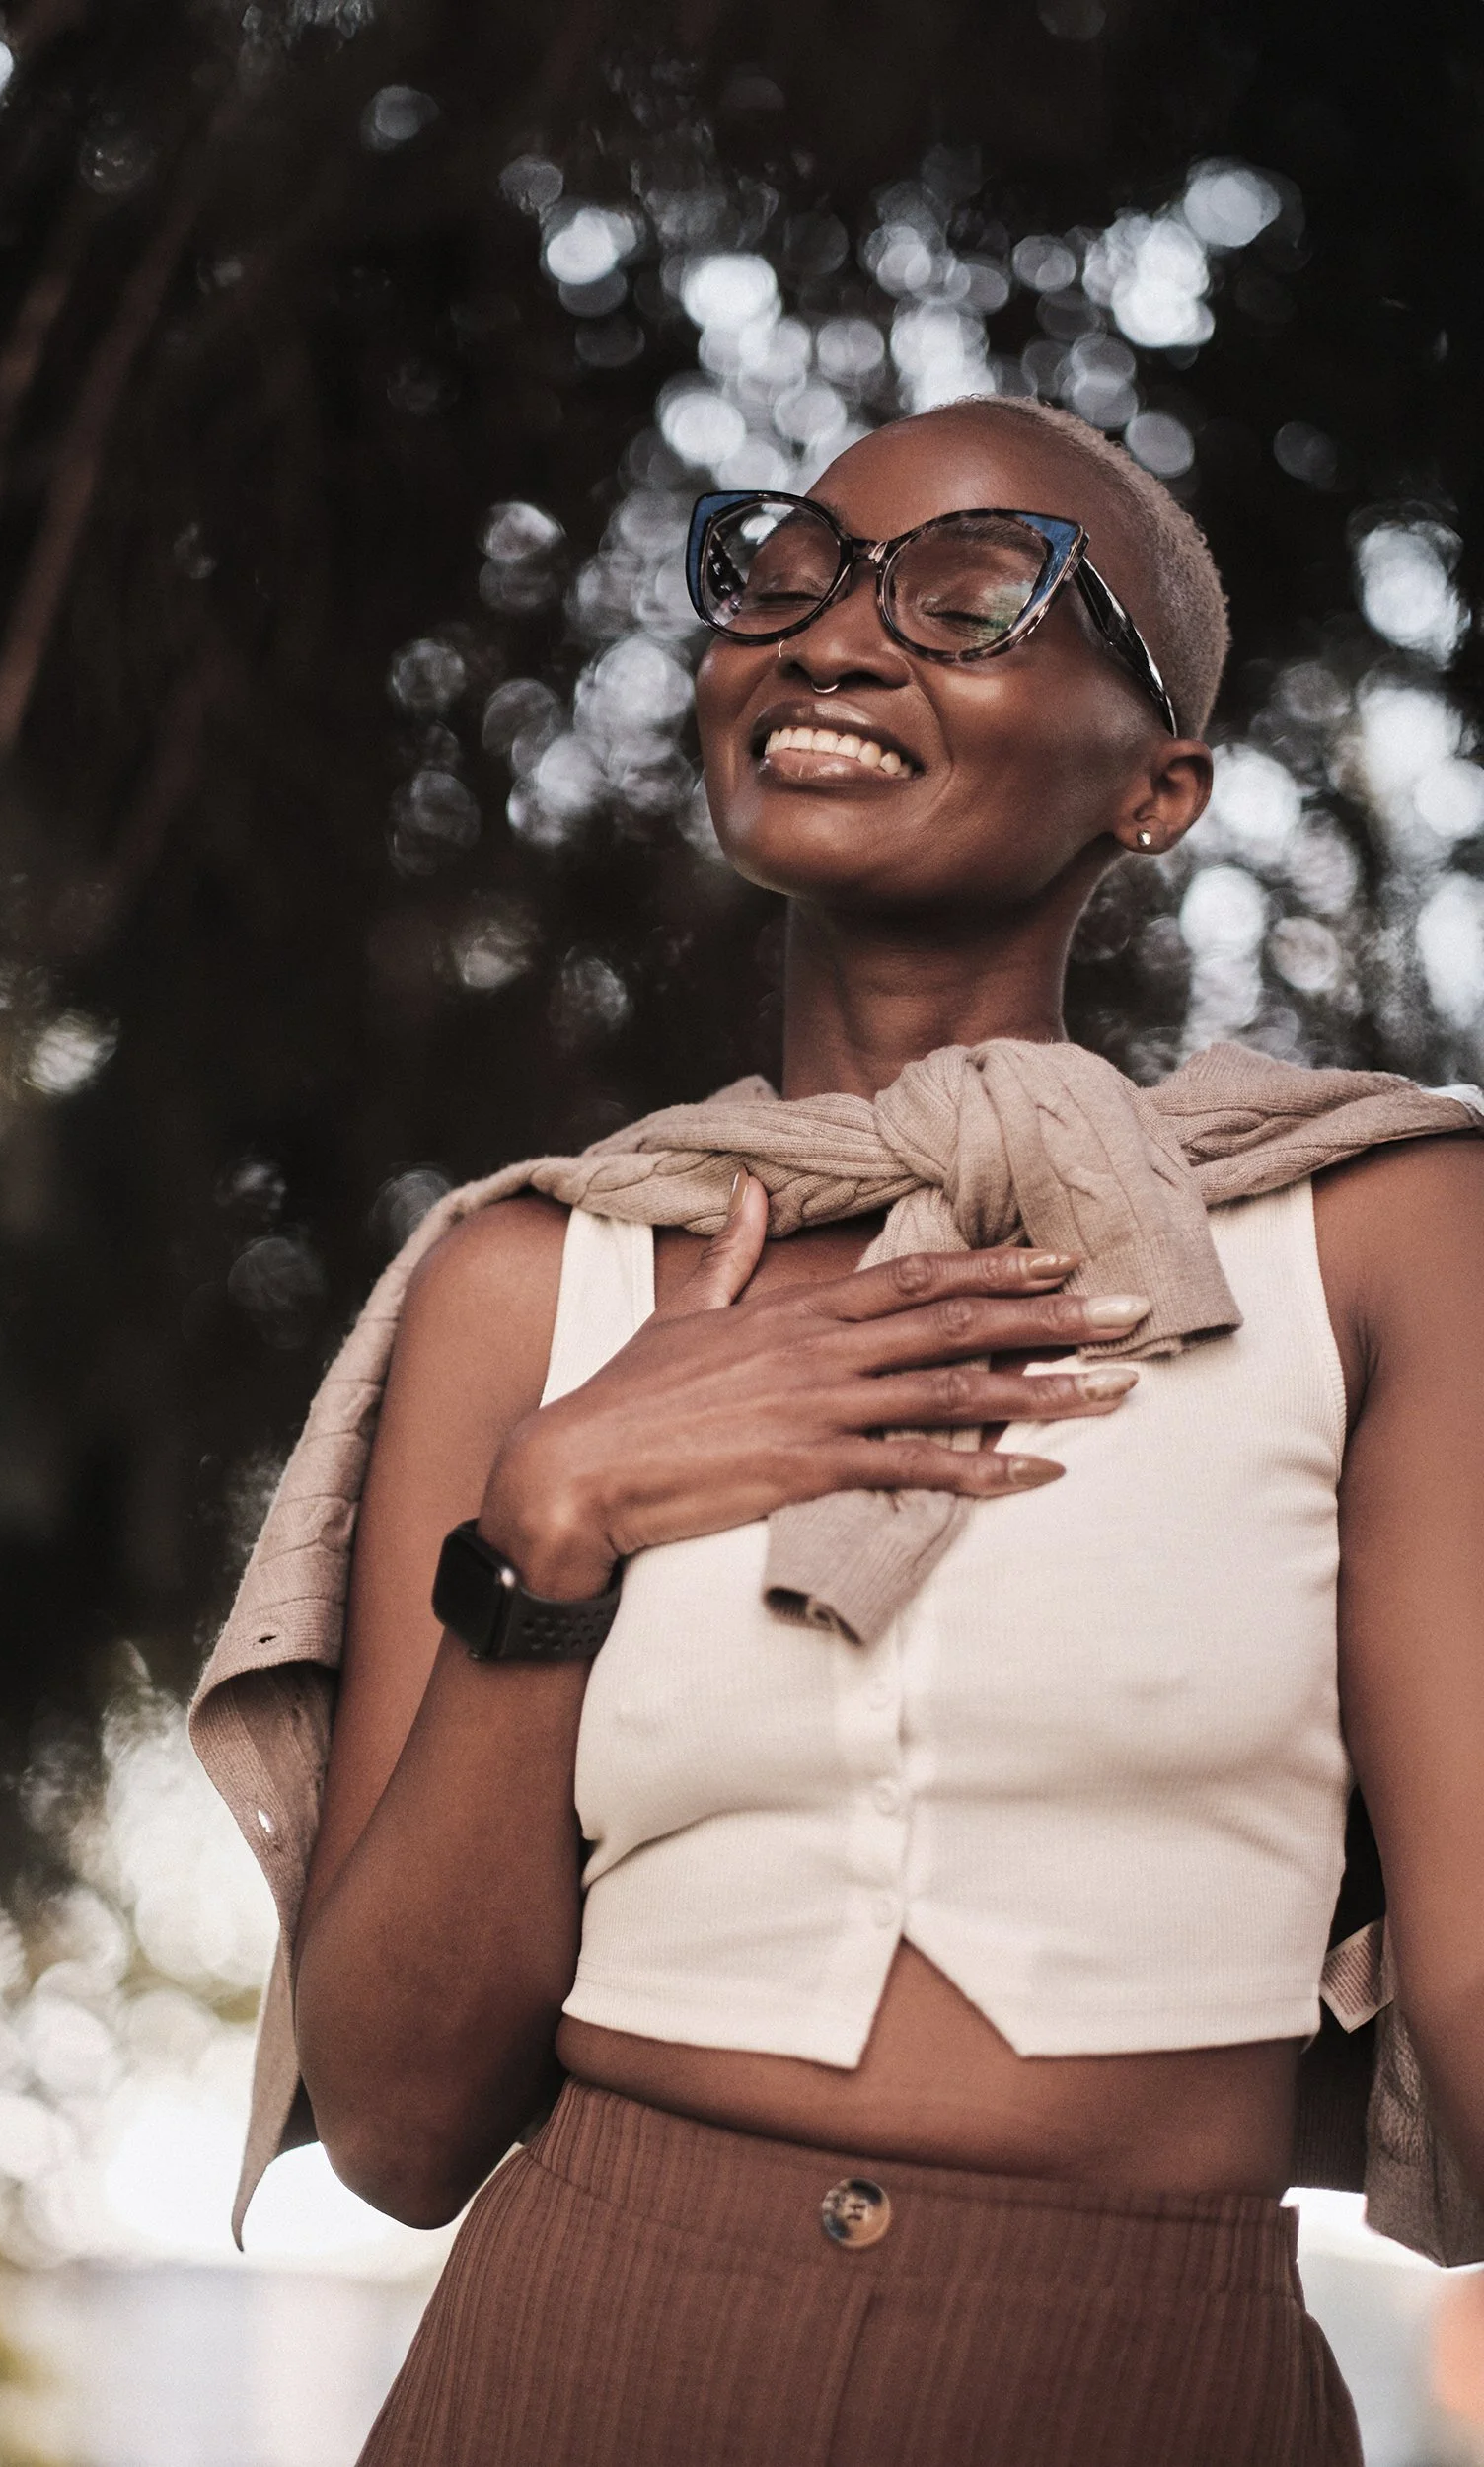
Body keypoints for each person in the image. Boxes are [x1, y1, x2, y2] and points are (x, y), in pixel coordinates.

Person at [194, 397, 1484, 2465]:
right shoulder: (530, 1278)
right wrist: (552, 1528)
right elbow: (405, 2124)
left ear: (1158, 788)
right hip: (567, 2362)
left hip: (1142, 2384)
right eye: (777, 578)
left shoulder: (1377, 1236)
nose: (829, 637)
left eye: (970, 594)